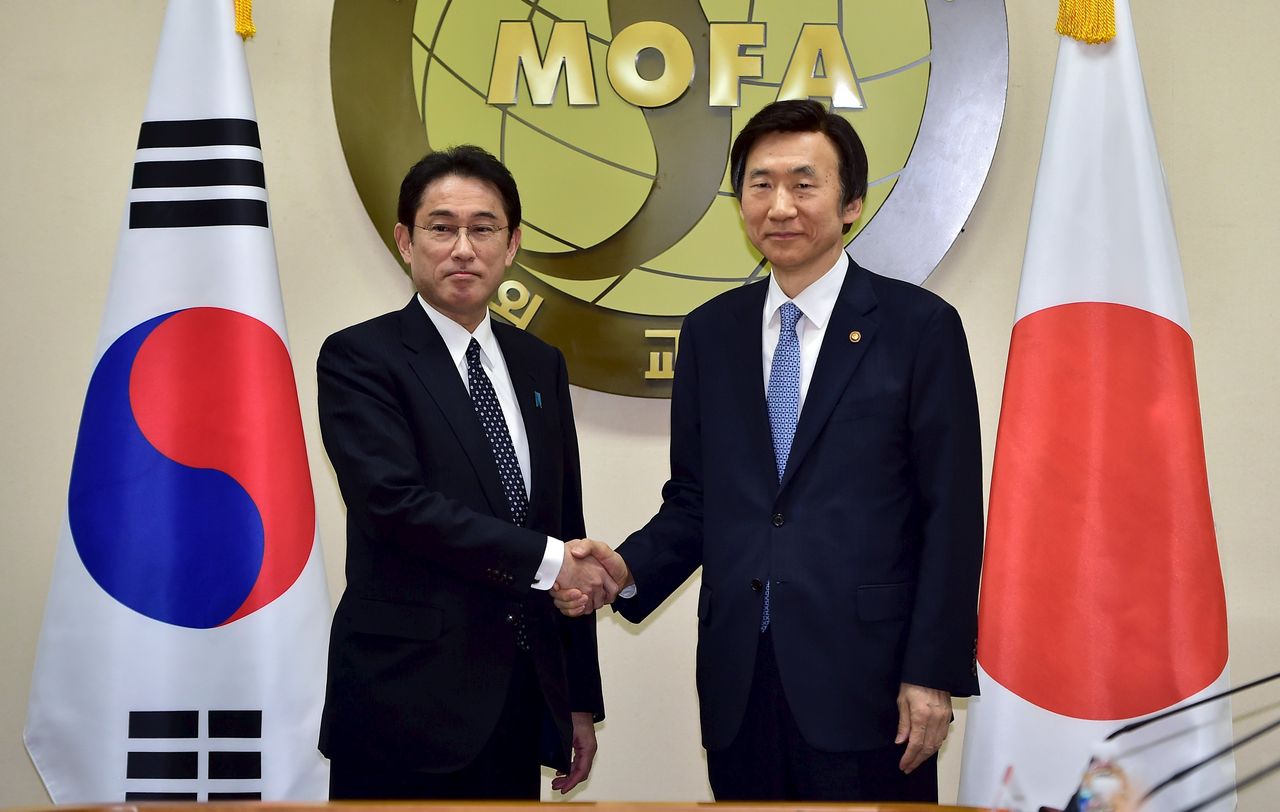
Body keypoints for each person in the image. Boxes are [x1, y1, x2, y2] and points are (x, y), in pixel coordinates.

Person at [555, 100, 984, 802]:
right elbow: (697, 500)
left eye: (803, 184)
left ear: (851, 203)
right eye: (760, 184)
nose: (779, 206)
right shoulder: (710, 333)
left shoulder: (919, 328)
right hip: (740, 684)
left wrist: (931, 672)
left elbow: (952, 517)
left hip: (871, 684)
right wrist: (626, 569)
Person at [317, 145, 617, 800]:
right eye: (441, 227)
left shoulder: (540, 363)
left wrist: (576, 699)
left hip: (516, 703)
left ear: (512, 245)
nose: (463, 249)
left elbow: (565, 525)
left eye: (483, 229)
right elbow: (394, 506)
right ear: (406, 240)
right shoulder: (359, 358)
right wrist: (551, 562)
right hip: (401, 706)